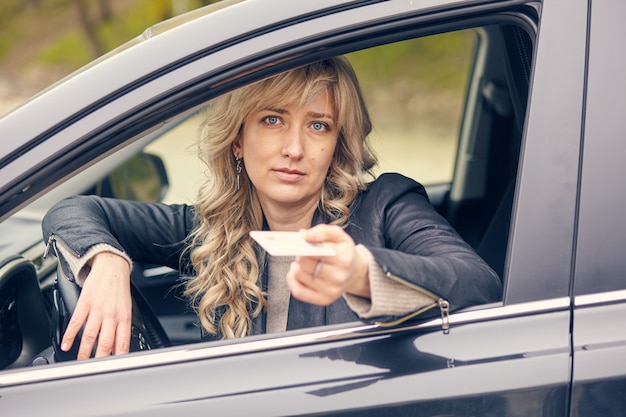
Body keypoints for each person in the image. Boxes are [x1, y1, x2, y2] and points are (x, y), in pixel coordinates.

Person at [42, 56, 502, 360]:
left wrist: (362, 274)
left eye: (318, 126)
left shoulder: (386, 204)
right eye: (273, 120)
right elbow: (73, 210)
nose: (295, 148)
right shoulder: (211, 231)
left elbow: (478, 282)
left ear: (337, 145)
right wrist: (106, 260)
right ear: (239, 140)